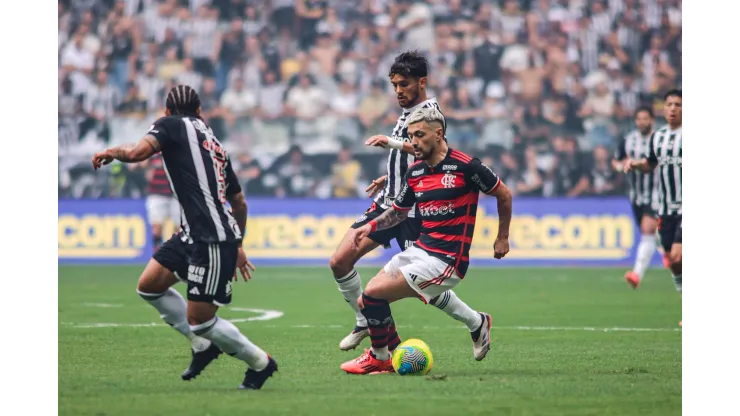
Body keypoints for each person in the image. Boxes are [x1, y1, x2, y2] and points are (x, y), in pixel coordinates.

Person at [91, 85, 278, 389]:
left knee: (202, 320)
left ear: (166, 112)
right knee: (150, 287)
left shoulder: (170, 124)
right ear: (200, 111)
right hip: (193, 233)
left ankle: (261, 363)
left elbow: (139, 152)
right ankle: (202, 346)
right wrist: (239, 243)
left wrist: (111, 151)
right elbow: (239, 202)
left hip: (211, 237)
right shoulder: (214, 142)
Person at [329, 51, 492, 361]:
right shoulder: (407, 111)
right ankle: (364, 320)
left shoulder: (430, 112)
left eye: (404, 84)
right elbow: (415, 158)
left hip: (414, 209)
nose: (399, 91)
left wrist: (389, 143)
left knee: (422, 286)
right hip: (390, 198)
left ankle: (475, 321)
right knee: (339, 260)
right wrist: (388, 174)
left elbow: (427, 150)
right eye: (394, 86)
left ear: (422, 82)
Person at [340, 106, 513, 374]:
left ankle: (380, 357)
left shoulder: (466, 167)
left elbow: (504, 194)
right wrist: (371, 226)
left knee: (374, 294)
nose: (414, 142)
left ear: (438, 133)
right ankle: (477, 322)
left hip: (447, 261)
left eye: (420, 135)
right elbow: (398, 213)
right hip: (422, 250)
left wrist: (502, 237)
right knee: (366, 301)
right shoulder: (416, 172)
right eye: (410, 136)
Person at [625, 89, 682, 326]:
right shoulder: (658, 137)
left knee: (679, 254)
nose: (672, 108)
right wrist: (635, 165)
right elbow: (650, 164)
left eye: (677, 104)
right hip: (666, 209)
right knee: (673, 260)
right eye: (669, 104)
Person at [612, 106, 661, 288]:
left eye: (645, 118)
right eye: (639, 119)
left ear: (652, 120)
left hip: (657, 193)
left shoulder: (659, 140)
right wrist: (621, 166)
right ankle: (667, 250)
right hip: (636, 196)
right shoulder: (628, 140)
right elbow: (616, 160)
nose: (642, 122)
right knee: (652, 233)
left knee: (647, 229)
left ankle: (636, 274)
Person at [143, 153, 181, 251]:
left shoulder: (176, 152)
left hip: (175, 195)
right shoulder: (153, 153)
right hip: (157, 194)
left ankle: (179, 255)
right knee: (157, 229)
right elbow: (144, 165)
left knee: (180, 229)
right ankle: (158, 256)